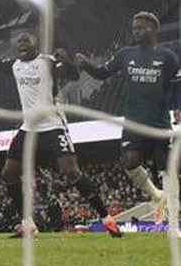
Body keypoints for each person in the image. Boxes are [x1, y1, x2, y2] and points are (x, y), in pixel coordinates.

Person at [0, 29, 120, 238]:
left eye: (25, 41)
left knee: (71, 172)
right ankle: (28, 224)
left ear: (36, 43)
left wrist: (66, 61)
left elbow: (74, 75)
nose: (21, 45)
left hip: (52, 125)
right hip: (29, 128)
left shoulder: (48, 62)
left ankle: (106, 219)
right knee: (8, 174)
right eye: (18, 42)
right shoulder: (15, 66)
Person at [76, 11, 181, 224]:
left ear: (152, 29)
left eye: (140, 28)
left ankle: (174, 214)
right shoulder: (126, 54)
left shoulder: (167, 57)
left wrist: (178, 108)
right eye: (134, 29)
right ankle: (156, 195)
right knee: (129, 161)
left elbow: (177, 85)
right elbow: (102, 73)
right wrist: (87, 66)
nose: (135, 32)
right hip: (133, 120)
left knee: (166, 167)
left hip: (158, 122)